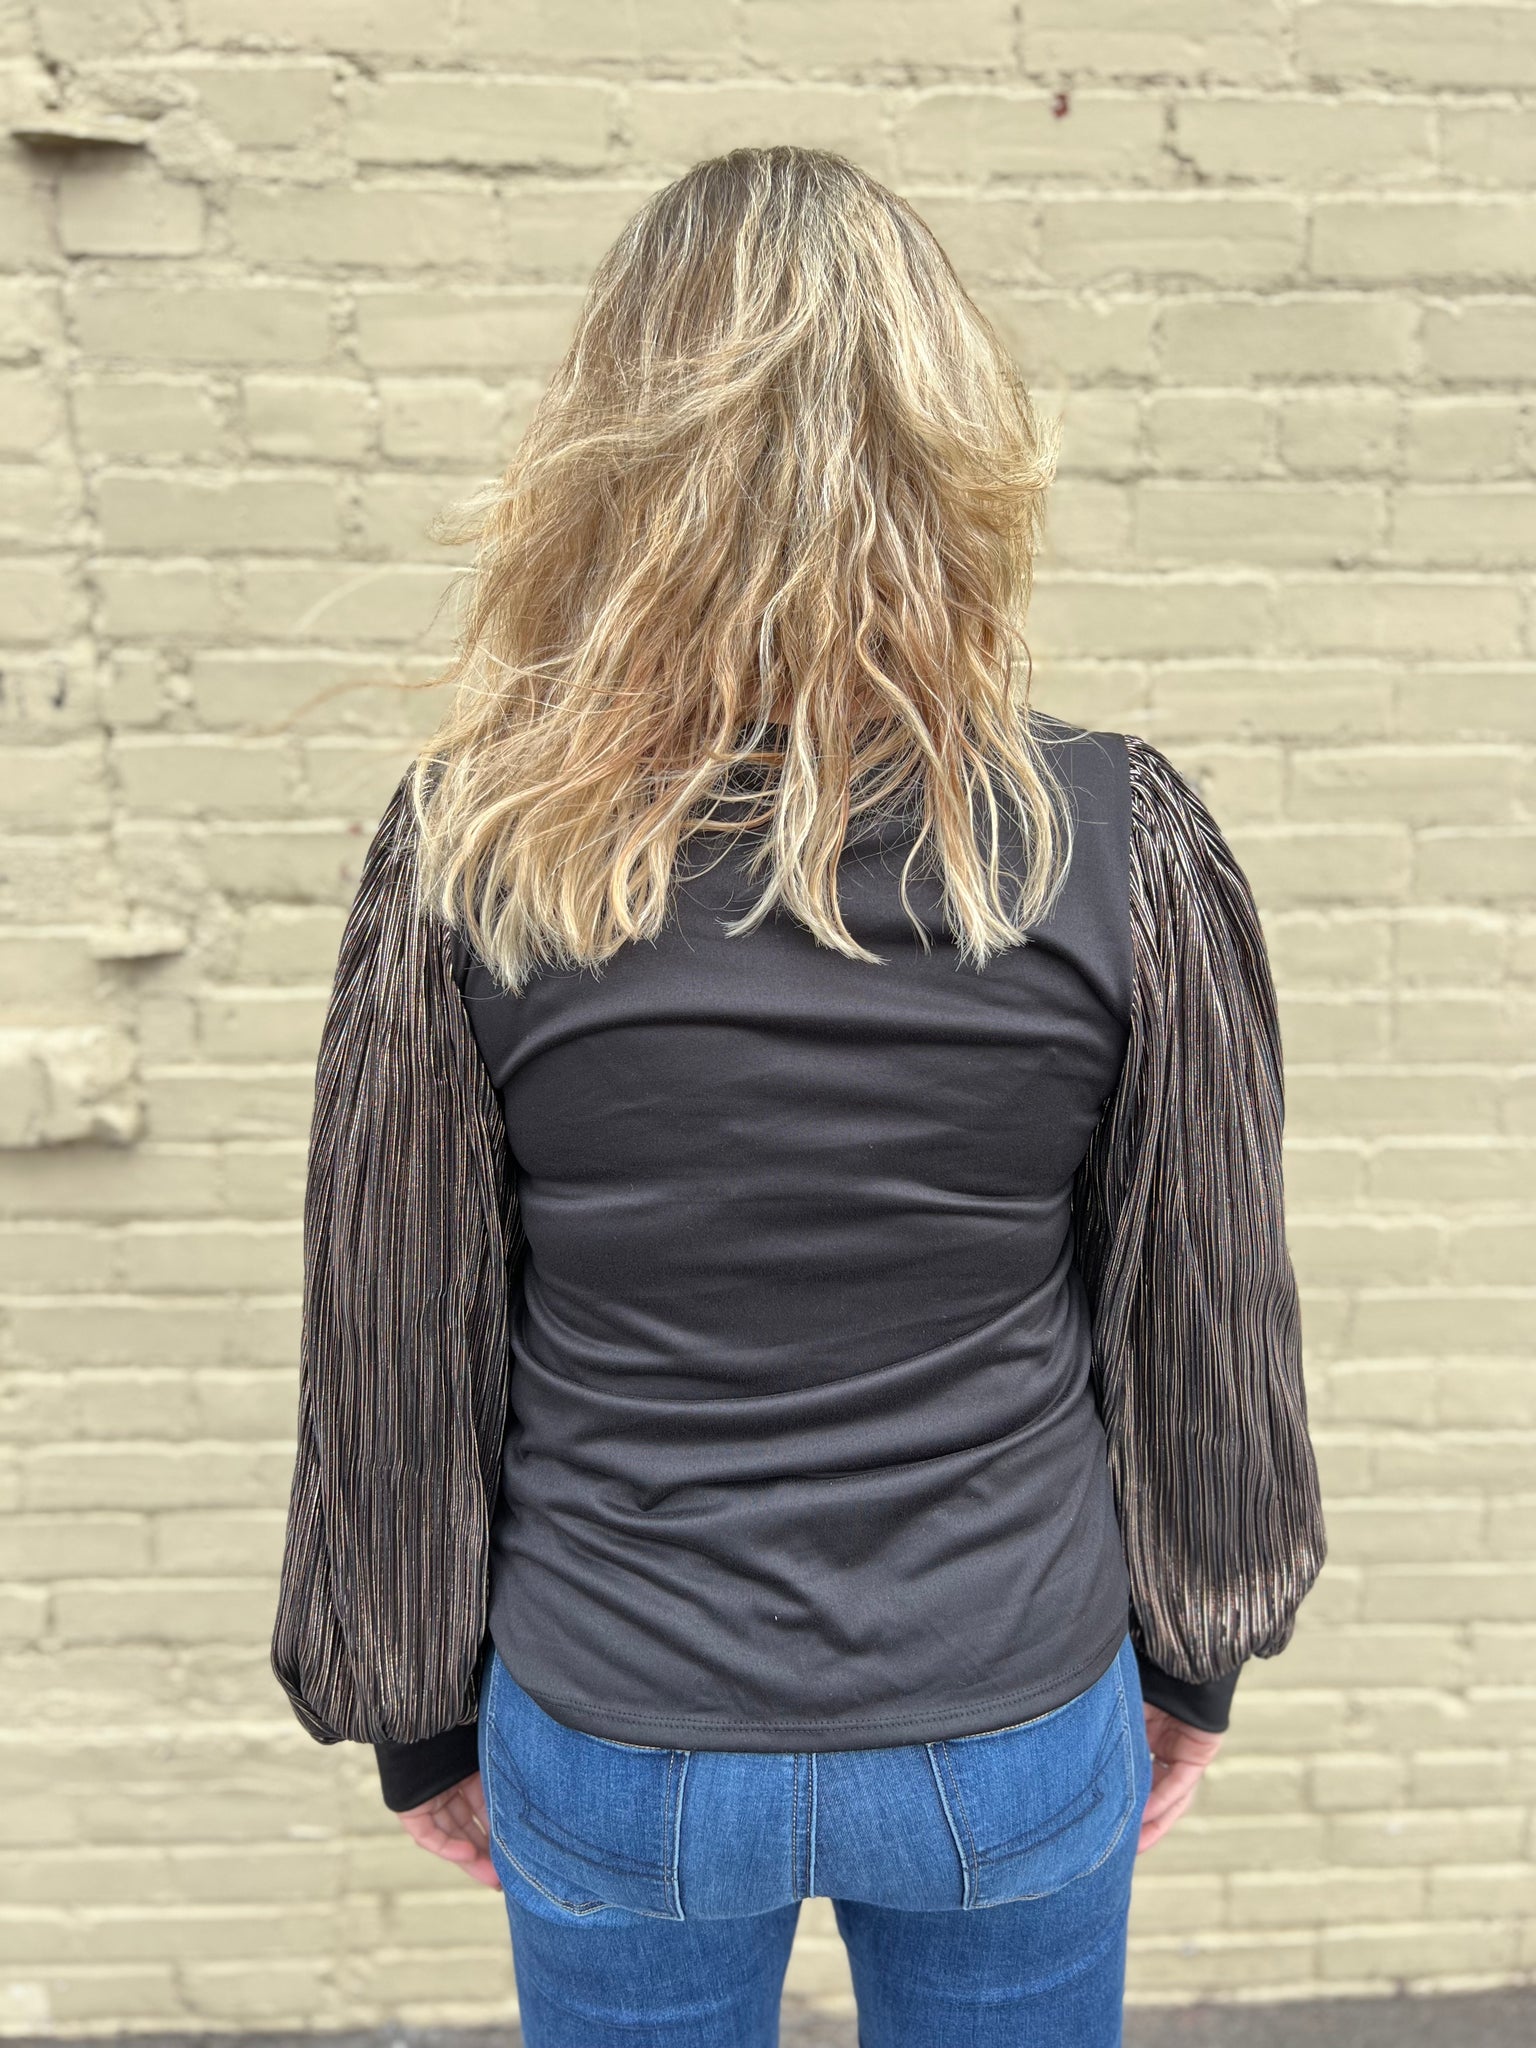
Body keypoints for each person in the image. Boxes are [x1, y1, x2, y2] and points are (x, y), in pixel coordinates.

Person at [270, 146, 1325, 2048]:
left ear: (610, 458)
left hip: (623, 1718)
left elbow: (395, 1325)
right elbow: (1208, 1306)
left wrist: (411, 1709)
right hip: (1009, 1707)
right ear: (953, 448)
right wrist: (1200, 1656)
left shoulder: (473, 856)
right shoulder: (1117, 842)